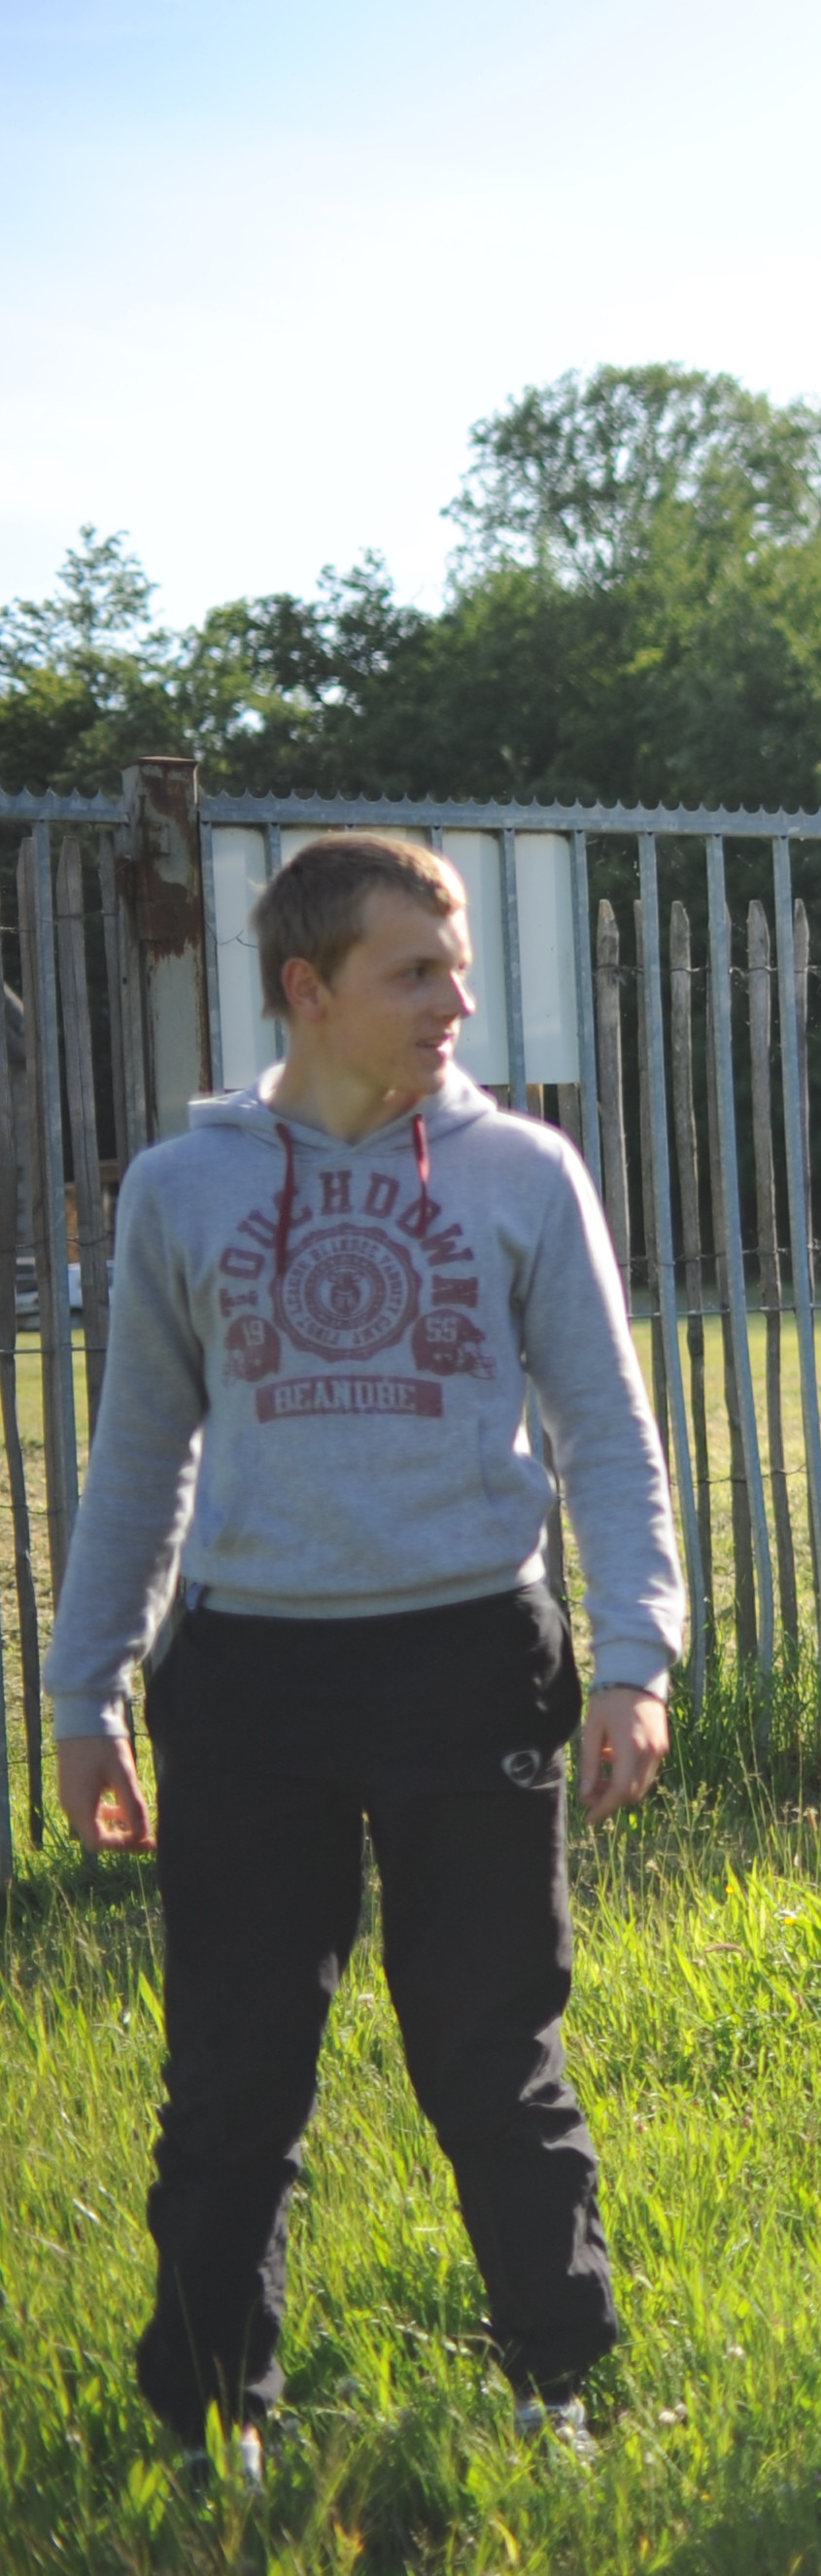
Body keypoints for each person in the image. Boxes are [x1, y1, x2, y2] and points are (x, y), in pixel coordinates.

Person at [48, 833, 684, 2477]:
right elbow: (140, 1460)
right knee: (233, 2073)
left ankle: (559, 2392)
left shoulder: (522, 1173)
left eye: (459, 968)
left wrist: (636, 1658)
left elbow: (608, 1431)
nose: (455, 1002)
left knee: (492, 2051)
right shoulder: (181, 1189)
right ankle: (212, 2420)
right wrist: (85, 1693)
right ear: (307, 988)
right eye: (416, 973)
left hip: (472, 1664)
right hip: (249, 1684)